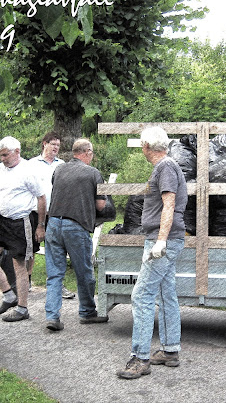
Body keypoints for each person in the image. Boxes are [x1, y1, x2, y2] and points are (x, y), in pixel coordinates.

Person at [117, 126, 188, 379]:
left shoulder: (165, 167)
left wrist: (160, 241)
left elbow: (169, 204)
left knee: (141, 295)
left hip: (163, 241)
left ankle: (140, 359)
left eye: (142, 146)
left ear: (146, 146)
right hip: (169, 239)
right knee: (166, 293)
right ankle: (170, 351)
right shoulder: (167, 166)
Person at [0, 136, 47, 322]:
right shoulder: (0, 169)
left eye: (5, 155)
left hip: (22, 222)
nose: (2, 159)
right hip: (2, 221)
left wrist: (40, 226)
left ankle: (23, 308)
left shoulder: (27, 171)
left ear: (17, 152)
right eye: (0, 155)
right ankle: (9, 296)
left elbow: (41, 198)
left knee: (20, 266)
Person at [44, 138, 107, 331]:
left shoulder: (59, 169)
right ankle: (87, 312)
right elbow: (101, 205)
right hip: (76, 226)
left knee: (54, 274)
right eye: (92, 153)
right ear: (87, 152)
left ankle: (52, 317)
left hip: (53, 223)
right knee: (84, 272)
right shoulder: (93, 173)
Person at [28, 132, 75, 299]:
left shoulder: (62, 165)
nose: (56, 147)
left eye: (58, 145)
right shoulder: (32, 164)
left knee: (55, 250)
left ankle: (58, 285)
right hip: (34, 212)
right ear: (44, 144)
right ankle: (26, 281)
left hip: (56, 213)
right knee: (30, 249)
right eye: (53, 144)